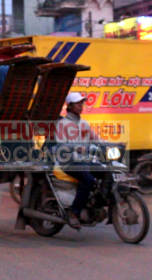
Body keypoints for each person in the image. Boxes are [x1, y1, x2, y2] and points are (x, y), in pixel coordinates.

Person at [56, 92, 105, 228]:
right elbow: (61, 146)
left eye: (81, 103)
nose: (80, 106)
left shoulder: (83, 123)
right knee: (88, 180)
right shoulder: (63, 124)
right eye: (77, 103)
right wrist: (77, 148)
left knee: (107, 173)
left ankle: (97, 203)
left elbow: (97, 140)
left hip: (84, 160)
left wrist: (114, 145)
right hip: (68, 162)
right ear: (70, 106)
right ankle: (74, 212)